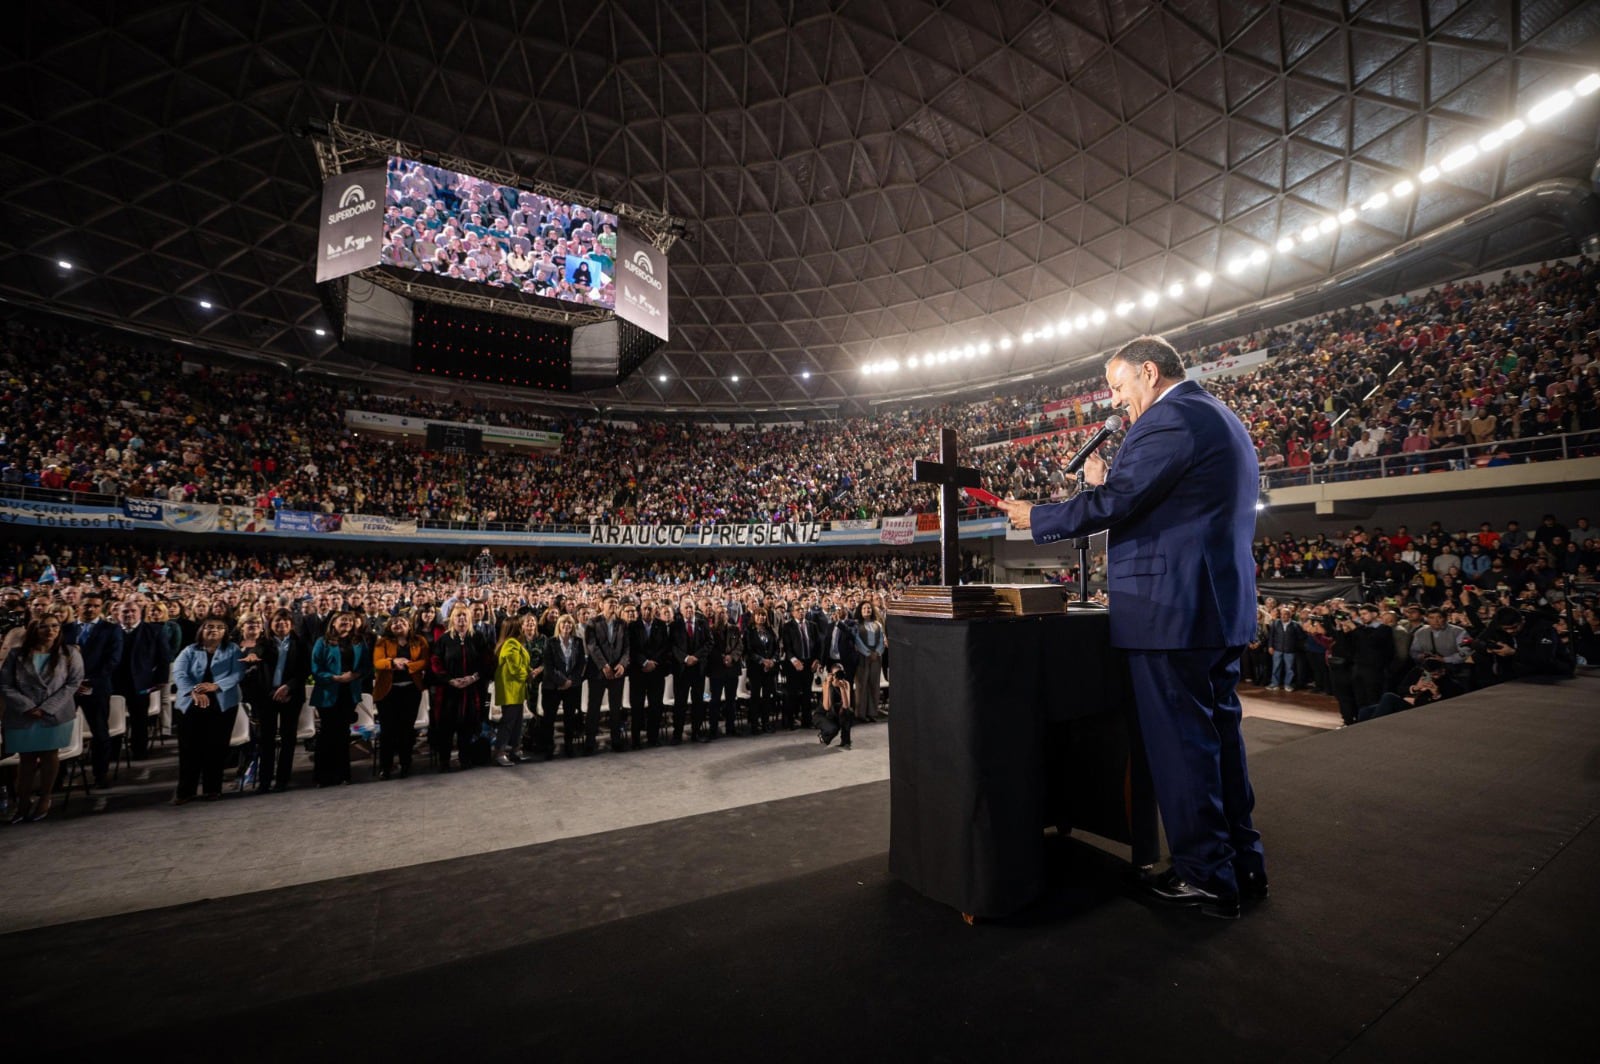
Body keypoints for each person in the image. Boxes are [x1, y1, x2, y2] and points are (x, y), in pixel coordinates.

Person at [999, 334, 1266, 920]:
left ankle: (1206, 879)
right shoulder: (1216, 415)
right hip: (1210, 609)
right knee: (1219, 742)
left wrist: (1037, 516)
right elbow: (1164, 504)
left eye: (1119, 387)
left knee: (1183, 749)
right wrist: (1106, 484)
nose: (1117, 402)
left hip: (1171, 611)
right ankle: (1241, 865)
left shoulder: (1170, 419)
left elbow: (1120, 505)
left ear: (1149, 372)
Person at [1, 617, 83, 823]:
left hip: (54, 713)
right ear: (33, 630)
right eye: (44, 626)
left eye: (55, 626)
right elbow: (5, 685)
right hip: (22, 714)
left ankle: (45, 798)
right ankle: (23, 803)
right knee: (26, 759)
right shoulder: (16, 654)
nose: (50, 630)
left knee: (49, 755)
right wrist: (28, 707)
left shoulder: (70, 653)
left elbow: (73, 684)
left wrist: (46, 708)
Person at [171, 617, 243, 804]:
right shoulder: (189, 650)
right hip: (191, 703)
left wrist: (215, 686)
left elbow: (237, 673)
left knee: (217, 748)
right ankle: (186, 791)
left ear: (225, 633)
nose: (214, 630)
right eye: (209, 627)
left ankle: (213, 788)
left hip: (222, 704)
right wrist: (192, 691)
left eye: (220, 628)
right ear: (201, 631)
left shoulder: (233, 650)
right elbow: (179, 674)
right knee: (189, 749)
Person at [67, 591, 124, 790]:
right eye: (86, 605)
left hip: (96, 687)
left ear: (101, 608)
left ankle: (100, 774)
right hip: (66, 690)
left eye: (95, 606)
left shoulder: (111, 629)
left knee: (100, 732)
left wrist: (89, 680)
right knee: (63, 731)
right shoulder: (65, 629)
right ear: (78, 606)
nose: (90, 609)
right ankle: (58, 777)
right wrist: (72, 682)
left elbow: (113, 660)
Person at [254, 608, 311, 792]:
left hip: (291, 696)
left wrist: (288, 687)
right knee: (266, 740)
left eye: (286, 622)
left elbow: (305, 670)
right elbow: (258, 668)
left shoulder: (301, 643)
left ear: (291, 625)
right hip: (266, 696)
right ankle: (264, 780)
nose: (281, 625)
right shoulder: (263, 643)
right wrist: (272, 692)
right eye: (277, 621)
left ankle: (282, 780)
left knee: (288, 739)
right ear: (271, 624)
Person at [310, 611, 368, 787]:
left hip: (349, 692)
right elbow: (315, 667)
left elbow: (366, 665)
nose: (347, 623)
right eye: (343, 620)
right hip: (328, 692)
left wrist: (354, 675)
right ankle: (323, 776)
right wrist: (334, 678)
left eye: (350, 621)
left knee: (343, 734)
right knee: (327, 734)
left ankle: (343, 774)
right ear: (333, 623)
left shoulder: (358, 642)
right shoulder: (323, 642)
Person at [430, 606, 490, 771]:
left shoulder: (477, 637)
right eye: (458, 616)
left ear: (469, 618)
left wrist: (473, 678)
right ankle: (444, 761)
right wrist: (450, 680)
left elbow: (486, 661)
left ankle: (465, 759)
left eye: (464, 615)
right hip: (449, 691)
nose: (461, 618)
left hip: (472, 690)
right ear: (452, 619)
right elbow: (435, 662)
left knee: (467, 726)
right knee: (446, 728)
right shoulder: (444, 639)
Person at [373, 613, 429, 779]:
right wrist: (392, 662)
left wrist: (407, 665)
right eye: (394, 622)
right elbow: (377, 662)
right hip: (388, 692)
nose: (398, 624)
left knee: (407, 730)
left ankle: (406, 764)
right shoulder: (382, 642)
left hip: (411, 691)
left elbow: (425, 661)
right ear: (389, 626)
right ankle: (386, 767)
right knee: (387, 731)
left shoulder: (419, 641)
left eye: (402, 622)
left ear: (409, 625)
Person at [492, 614, 542, 766]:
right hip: (511, 690)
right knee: (508, 723)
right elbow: (514, 668)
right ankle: (500, 752)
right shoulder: (510, 644)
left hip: (517, 690)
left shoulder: (515, 643)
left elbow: (521, 662)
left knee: (517, 722)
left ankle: (514, 751)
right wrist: (528, 675)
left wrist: (529, 670)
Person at [540, 613, 587, 757]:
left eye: (569, 624)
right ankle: (548, 748)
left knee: (570, 718)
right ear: (558, 626)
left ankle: (569, 746)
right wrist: (562, 681)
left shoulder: (578, 642)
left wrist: (570, 681)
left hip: (572, 686)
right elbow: (549, 666)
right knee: (549, 719)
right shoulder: (550, 642)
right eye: (563, 624)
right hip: (553, 687)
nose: (566, 626)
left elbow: (580, 664)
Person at [585, 597, 629, 751]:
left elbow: (627, 648)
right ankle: (590, 742)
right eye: (610, 602)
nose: (614, 605)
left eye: (616, 603)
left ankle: (616, 740)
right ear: (601, 604)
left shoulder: (622, 624)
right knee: (593, 708)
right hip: (598, 672)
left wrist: (623, 664)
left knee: (616, 708)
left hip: (617, 672)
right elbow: (592, 646)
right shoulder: (593, 622)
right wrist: (604, 665)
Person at [780, 601, 821, 730]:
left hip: (809, 663)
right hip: (793, 665)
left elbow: (819, 644)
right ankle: (790, 722)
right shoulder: (787, 627)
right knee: (792, 694)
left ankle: (807, 721)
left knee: (807, 694)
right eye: (798, 610)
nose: (801, 611)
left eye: (802, 609)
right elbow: (787, 646)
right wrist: (794, 661)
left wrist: (817, 660)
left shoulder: (812, 626)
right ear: (792, 613)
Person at [704, 606, 743, 739]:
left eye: (724, 612)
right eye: (719, 613)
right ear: (715, 615)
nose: (722, 615)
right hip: (717, 670)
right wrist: (722, 658)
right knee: (715, 701)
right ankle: (713, 729)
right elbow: (710, 648)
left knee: (731, 701)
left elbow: (739, 646)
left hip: (732, 669)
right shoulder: (711, 630)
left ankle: (730, 728)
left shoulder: (735, 629)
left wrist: (732, 657)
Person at [743, 606, 781, 734]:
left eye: (763, 615)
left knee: (767, 697)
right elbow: (748, 651)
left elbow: (777, 649)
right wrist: (762, 661)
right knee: (755, 697)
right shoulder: (749, 631)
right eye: (759, 615)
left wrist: (772, 661)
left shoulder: (771, 631)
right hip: (755, 669)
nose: (761, 617)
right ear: (754, 617)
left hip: (770, 669)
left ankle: (766, 722)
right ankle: (754, 724)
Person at [852, 602, 885, 722]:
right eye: (864, 608)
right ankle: (861, 714)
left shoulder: (878, 624)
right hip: (862, 656)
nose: (867, 610)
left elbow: (881, 639)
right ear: (860, 611)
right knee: (862, 685)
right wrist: (867, 653)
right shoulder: (857, 624)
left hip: (876, 656)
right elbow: (857, 640)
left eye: (869, 608)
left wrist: (877, 652)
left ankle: (872, 712)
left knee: (874, 684)